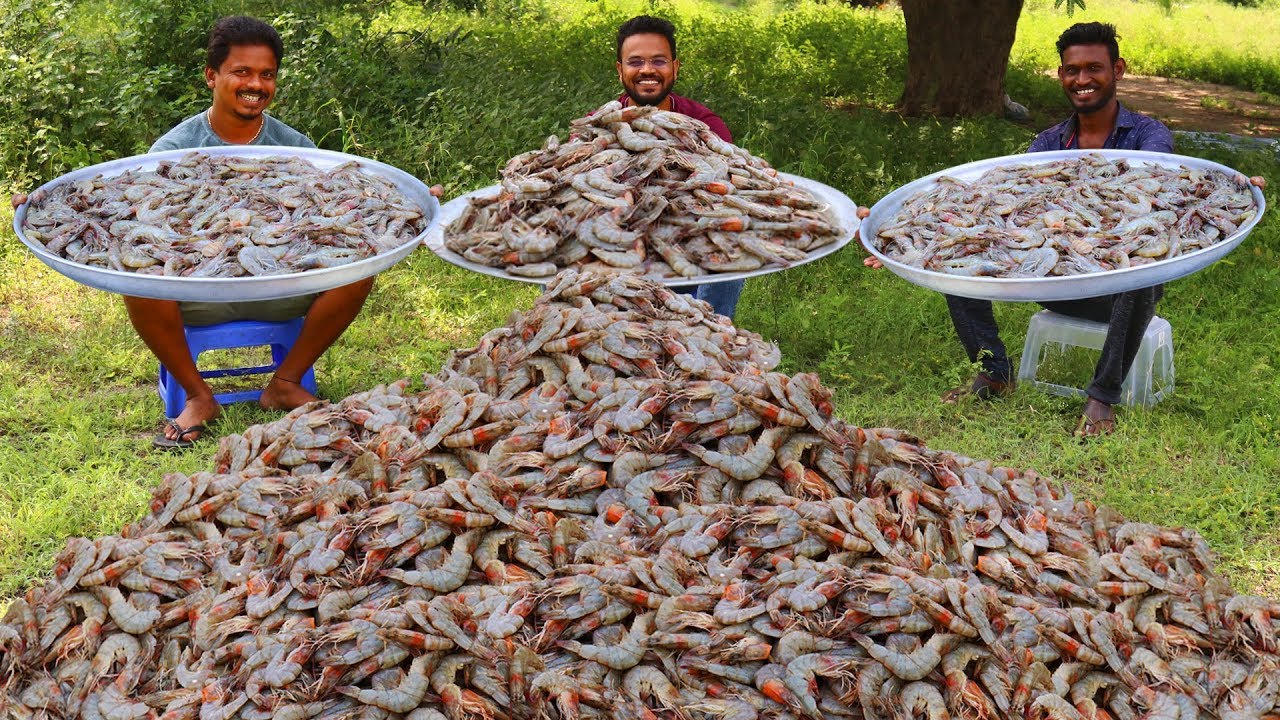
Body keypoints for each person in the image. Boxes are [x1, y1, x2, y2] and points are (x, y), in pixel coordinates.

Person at [14, 16, 439, 449]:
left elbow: (342, 199)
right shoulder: (174, 149)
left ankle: (285, 383)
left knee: (356, 275)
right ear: (212, 76)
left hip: (281, 287)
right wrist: (46, 205)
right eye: (242, 72)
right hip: (196, 296)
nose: (255, 84)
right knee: (141, 284)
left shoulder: (294, 147)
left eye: (266, 74)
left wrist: (412, 200)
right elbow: (121, 209)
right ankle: (200, 398)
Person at [866, 22, 1259, 437]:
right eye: (1072, 70)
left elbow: (1163, 186)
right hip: (1050, 281)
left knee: (1143, 277)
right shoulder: (1047, 143)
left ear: (1118, 70)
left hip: (1115, 289)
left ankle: (1103, 397)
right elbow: (1004, 208)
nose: (1082, 79)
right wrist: (898, 241)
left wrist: (1237, 188)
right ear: (1061, 75)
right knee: (956, 260)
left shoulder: (1147, 135)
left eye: (1094, 68)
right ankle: (994, 372)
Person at [611, 15, 744, 319]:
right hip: (619, 254)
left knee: (731, 235)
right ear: (620, 70)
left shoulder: (706, 125)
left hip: (689, 251)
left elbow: (734, 188)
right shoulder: (597, 126)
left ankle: (712, 330)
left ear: (675, 67)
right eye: (635, 62)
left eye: (658, 61)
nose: (647, 70)